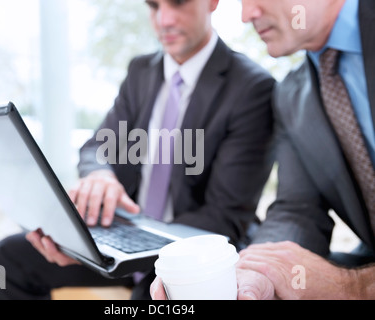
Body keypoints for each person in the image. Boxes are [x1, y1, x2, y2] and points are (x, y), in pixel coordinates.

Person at [0, 0, 275, 300]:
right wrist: (100, 175)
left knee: (147, 296)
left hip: (191, 253)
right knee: (5, 260)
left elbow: (224, 217)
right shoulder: (141, 71)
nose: (163, 20)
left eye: (177, 3)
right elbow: (96, 147)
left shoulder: (252, 88)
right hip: (126, 240)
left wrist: (130, 245)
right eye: (153, 6)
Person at [151, 0, 375, 300]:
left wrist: (352, 287)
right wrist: (257, 273)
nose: (247, 15)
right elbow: (298, 210)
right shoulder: (292, 96)